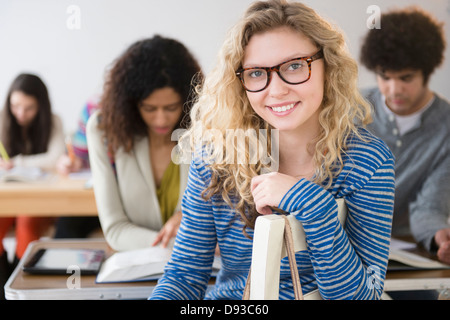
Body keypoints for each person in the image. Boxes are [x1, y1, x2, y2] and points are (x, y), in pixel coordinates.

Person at [150, 0, 395, 300]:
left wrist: (311, 204)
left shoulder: (367, 161)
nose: (276, 90)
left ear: (328, 66)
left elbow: (363, 297)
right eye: (256, 73)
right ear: (239, 81)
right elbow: (184, 276)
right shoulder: (216, 156)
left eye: (294, 66)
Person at [86, 35, 203, 251]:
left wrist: (190, 219)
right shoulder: (103, 131)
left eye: (171, 108)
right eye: (149, 108)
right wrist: (181, 244)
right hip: (139, 267)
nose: (161, 120)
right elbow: (115, 229)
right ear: (130, 103)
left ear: (189, 100)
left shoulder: (206, 128)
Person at [360, 7, 450, 265]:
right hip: (340, 246)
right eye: (384, 77)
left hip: (405, 255)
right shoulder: (352, 109)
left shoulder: (446, 129)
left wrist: (438, 237)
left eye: (406, 77)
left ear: (427, 72)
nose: (394, 89)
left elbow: (430, 207)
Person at [0, 73, 65, 299]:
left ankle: (23, 290)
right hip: (7, 198)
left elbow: (55, 159)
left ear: (41, 105)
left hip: (39, 199)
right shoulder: (3, 120)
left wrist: (16, 162)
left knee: (26, 224)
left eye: (29, 108)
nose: (20, 113)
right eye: (15, 105)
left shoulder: (53, 121)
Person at [53, 97, 102, 238]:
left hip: (129, 201)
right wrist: (73, 163)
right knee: (66, 228)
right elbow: (79, 157)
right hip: (93, 198)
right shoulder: (92, 108)